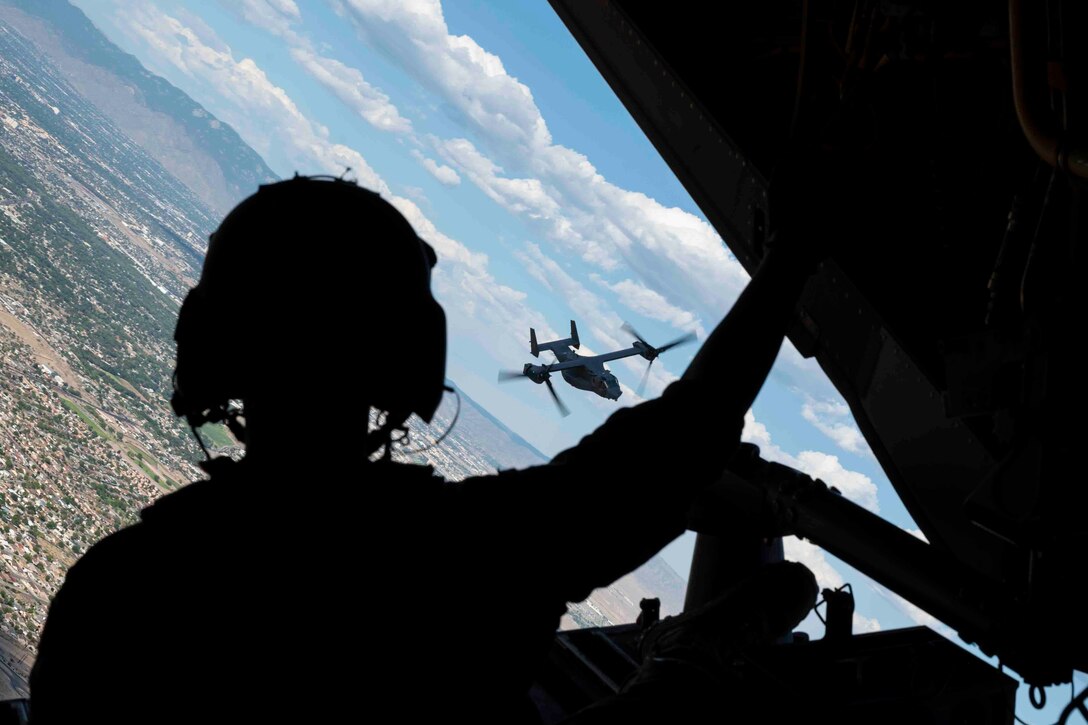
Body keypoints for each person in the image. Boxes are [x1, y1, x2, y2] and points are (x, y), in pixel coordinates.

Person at [29, 175, 821, 723]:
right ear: (411, 357)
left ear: (208, 341)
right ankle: (690, 661)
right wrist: (792, 257)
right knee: (667, 702)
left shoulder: (114, 594)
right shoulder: (481, 549)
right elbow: (685, 434)